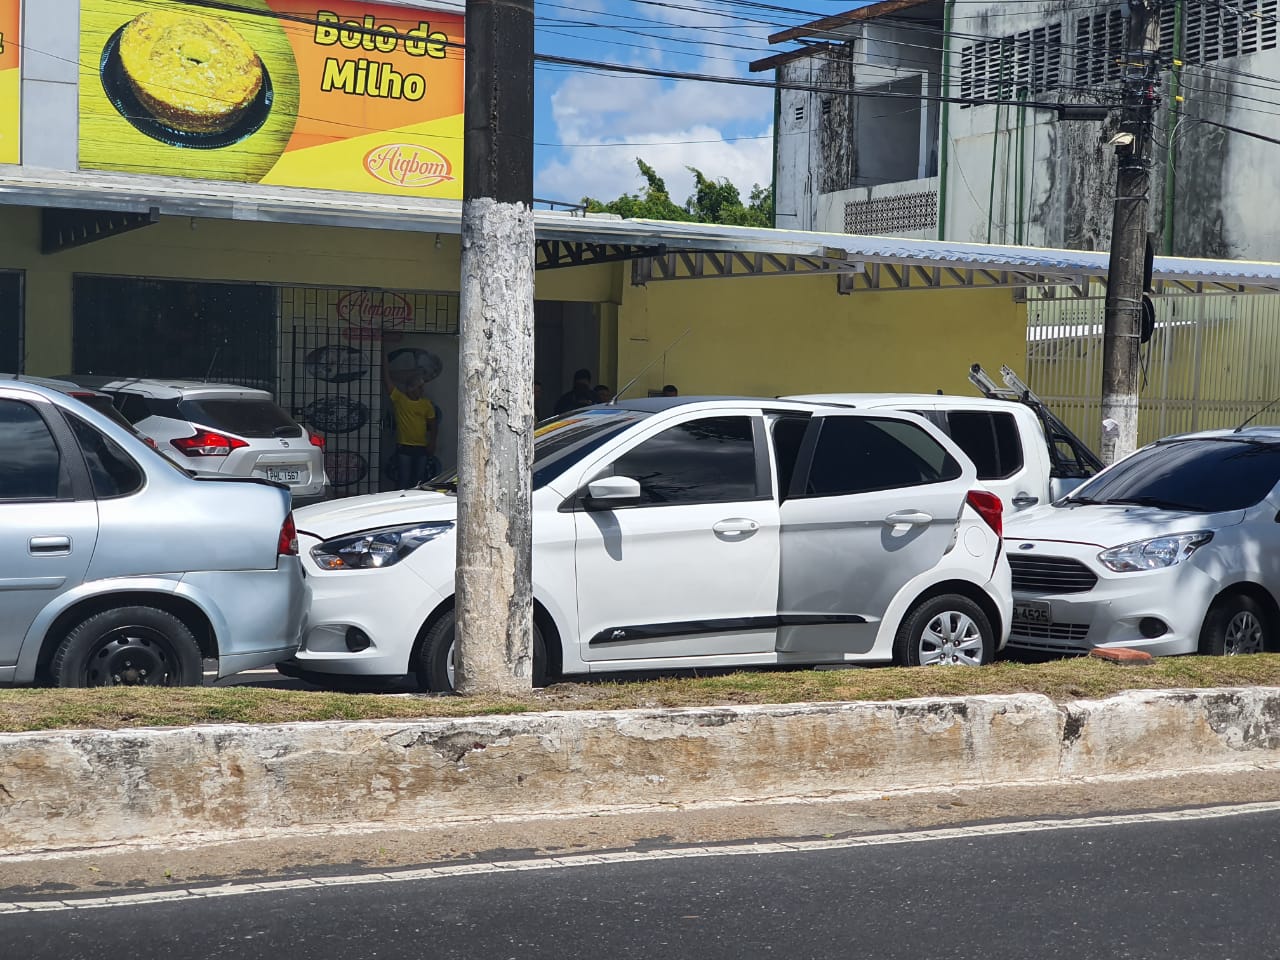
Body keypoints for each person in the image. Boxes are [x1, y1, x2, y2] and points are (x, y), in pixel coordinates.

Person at [383, 365, 437, 489]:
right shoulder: (400, 399)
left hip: (421, 447)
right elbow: (387, 382)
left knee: (419, 480)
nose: (422, 391)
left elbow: (433, 424)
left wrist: (432, 442)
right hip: (405, 446)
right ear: (411, 388)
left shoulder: (426, 404)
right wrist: (383, 358)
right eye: (419, 388)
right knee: (404, 479)